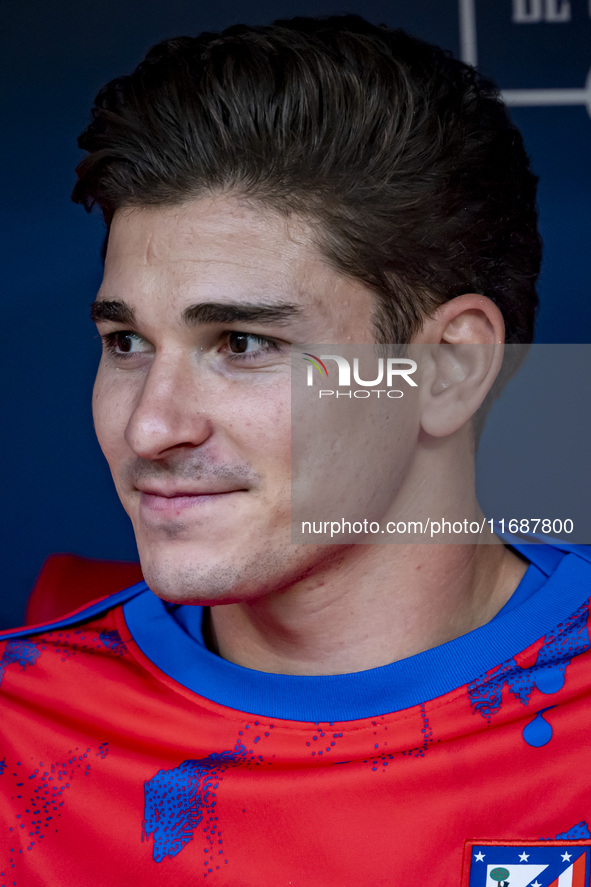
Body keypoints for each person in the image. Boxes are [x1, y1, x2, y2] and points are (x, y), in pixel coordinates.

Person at [1, 15, 590, 885]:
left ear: (448, 368)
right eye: (126, 342)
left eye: (241, 343)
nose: (149, 428)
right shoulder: (20, 737)